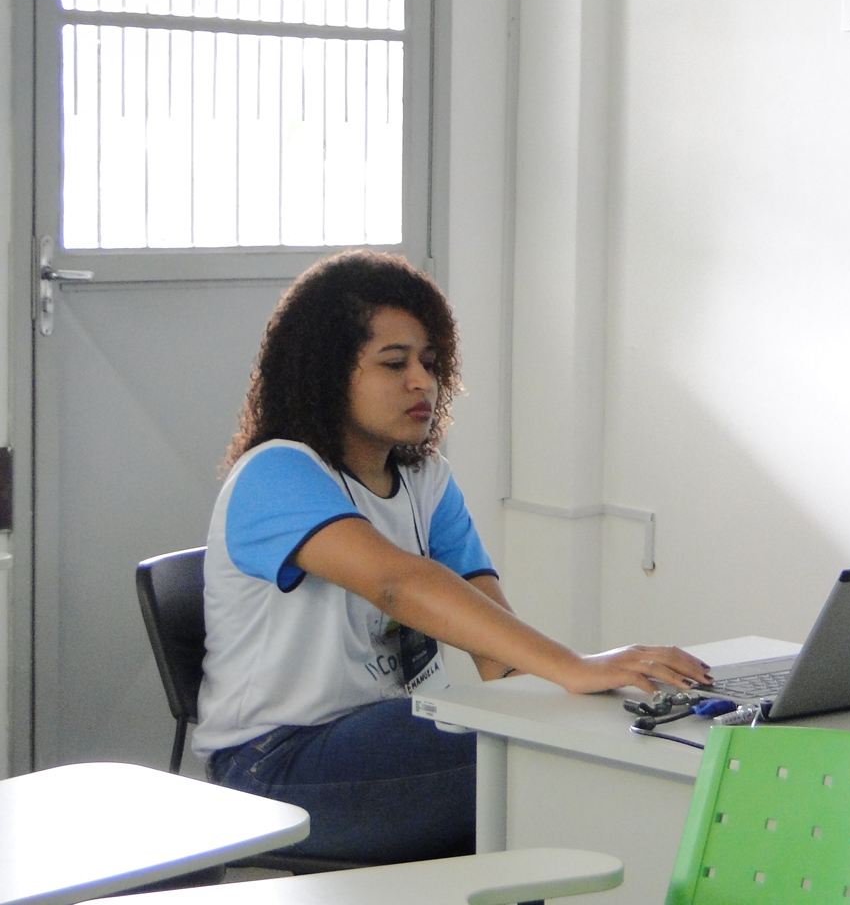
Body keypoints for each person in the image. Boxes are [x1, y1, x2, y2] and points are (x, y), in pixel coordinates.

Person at [193, 250, 712, 863]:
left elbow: (500, 660)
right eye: (395, 363)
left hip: (392, 732)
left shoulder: (427, 479)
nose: (423, 381)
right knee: (533, 764)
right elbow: (397, 585)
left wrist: (622, 704)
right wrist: (575, 667)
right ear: (326, 372)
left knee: (564, 746)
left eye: (431, 362)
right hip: (272, 766)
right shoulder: (275, 473)